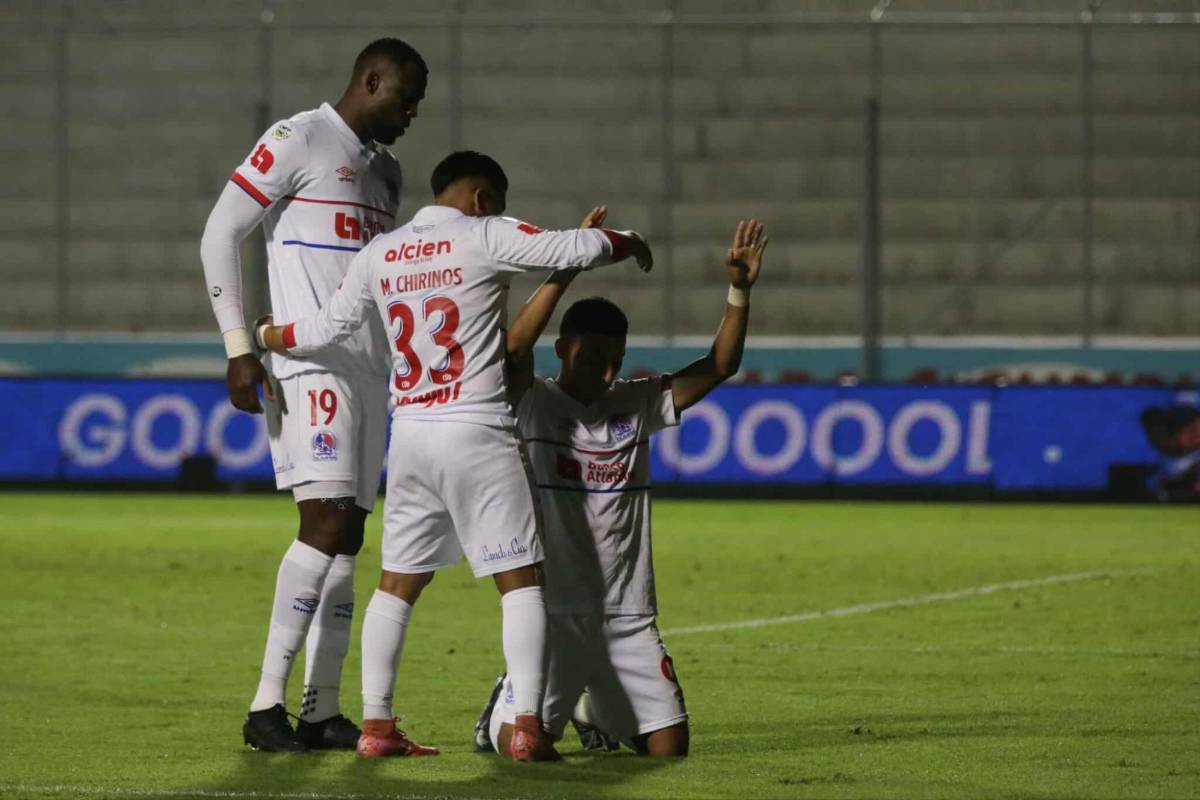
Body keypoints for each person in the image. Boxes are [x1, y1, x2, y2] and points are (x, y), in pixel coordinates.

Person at [253, 151, 654, 761]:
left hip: (411, 435)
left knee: (395, 586)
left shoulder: (380, 252)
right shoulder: (485, 234)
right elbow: (575, 248)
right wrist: (627, 239)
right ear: (481, 198)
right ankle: (525, 728)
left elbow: (325, 329)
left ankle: (377, 729)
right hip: (477, 429)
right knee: (521, 579)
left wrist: (264, 336)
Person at [199, 38, 428, 752]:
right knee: (324, 524)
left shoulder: (386, 173)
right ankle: (267, 705)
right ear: (371, 79)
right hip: (308, 364)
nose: (412, 113)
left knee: (350, 536)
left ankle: (321, 709)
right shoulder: (298, 137)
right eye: (406, 97)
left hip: (368, 372)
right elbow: (220, 234)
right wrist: (240, 347)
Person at [477, 218, 768, 758]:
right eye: (592, 360)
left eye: (616, 361)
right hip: (554, 613)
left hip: (628, 613)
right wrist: (569, 263)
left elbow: (721, 365)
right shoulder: (533, 402)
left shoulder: (635, 404)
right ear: (562, 349)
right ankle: (503, 706)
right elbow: (514, 351)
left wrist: (738, 291)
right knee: (523, 750)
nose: (607, 374)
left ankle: (591, 712)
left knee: (669, 750)